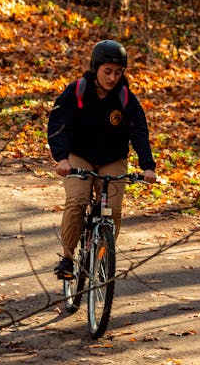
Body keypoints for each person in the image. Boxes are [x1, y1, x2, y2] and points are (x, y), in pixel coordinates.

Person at [47, 39, 157, 278]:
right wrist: (62, 158)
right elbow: (57, 125)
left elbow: (139, 133)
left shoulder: (125, 98)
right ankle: (67, 259)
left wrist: (148, 166)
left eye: (118, 72)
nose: (112, 78)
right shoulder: (77, 91)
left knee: (112, 211)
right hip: (79, 157)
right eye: (107, 71)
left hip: (112, 159)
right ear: (96, 68)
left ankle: (100, 258)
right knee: (77, 201)